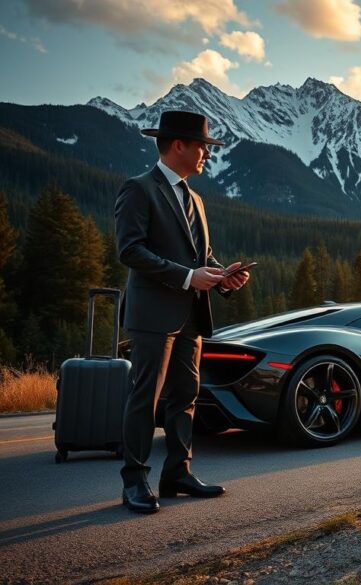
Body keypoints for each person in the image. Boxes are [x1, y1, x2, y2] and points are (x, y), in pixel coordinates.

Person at [115, 110, 250, 514]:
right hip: (153, 315)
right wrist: (189, 277)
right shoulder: (138, 189)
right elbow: (130, 250)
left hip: (190, 316)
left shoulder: (196, 199)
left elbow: (199, 256)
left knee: (185, 396)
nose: (207, 154)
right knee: (145, 398)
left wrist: (222, 276)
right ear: (178, 146)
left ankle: (177, 473)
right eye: (202, 147)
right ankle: (134, 481)